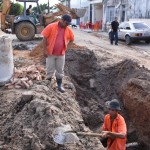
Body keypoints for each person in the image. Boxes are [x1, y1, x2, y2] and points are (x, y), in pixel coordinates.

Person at [41, 14, 74, 93]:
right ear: (62, 20)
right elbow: (44, 38)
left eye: (68, 24)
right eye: (66, 23)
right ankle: (47, 85)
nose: (67, 25)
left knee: (60, 70)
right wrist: (45, 50)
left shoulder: (68, 29)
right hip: (50, 53)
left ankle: (59, 85)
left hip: (61, 54)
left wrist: (67, 48)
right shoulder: (51, 26)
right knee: (50, 70)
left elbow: (72, 39)